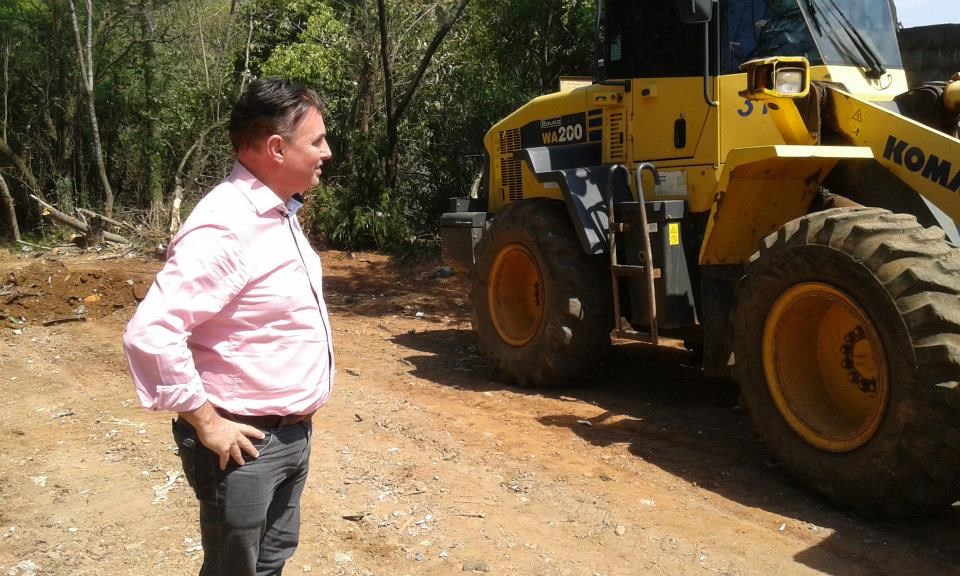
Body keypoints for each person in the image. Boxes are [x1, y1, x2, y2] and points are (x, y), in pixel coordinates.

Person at [122, 78, 334, 576]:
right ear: (276, 148)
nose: (327, 152)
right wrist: (208, 424)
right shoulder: (227, 224)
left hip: (290, 436)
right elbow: (150, 332)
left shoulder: (279, 213)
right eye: (317, 141)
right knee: (234, 569)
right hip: (242, 444)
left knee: (270, 561)